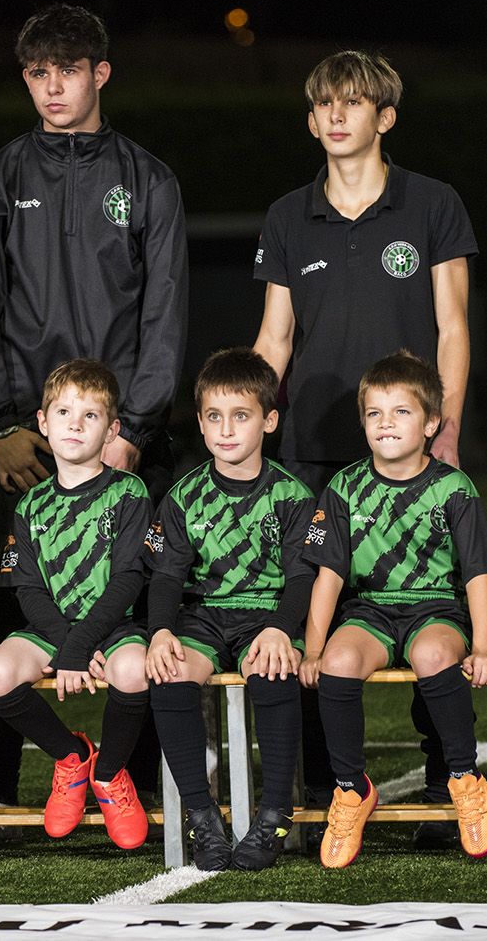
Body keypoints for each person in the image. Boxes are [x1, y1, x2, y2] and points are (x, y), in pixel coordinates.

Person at [0, 3, 187, 843]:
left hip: (125, 437)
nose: (54, 88)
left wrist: (136, 429)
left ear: (101, 74)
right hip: (22, 439)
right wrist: (3, 422)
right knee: (3, 608)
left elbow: (164, 315)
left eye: (70, 71)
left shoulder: (149, 179)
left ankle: (137, 784)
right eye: (39, 74)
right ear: (27, 80)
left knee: (141, 603)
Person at [251, 49, 478, 843]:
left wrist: (444, 427)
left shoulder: (433, 204)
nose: (337, 115)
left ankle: (449, 782)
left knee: (427, 607)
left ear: (385, 116)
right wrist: (245, 425)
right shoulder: (287, 215)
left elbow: (453, 328)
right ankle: (324, 790)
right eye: (324, 104)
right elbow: (274, 339)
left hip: (415, 450)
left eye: (355, 102)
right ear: (312, 120)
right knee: (315, 611)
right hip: (313, 450)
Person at [299, 350, 487, 868]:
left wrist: (483, 646)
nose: (386, 424)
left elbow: (478, 574)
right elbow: (329, 577)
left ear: (432, 422)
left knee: (435, 653)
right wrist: (314, 648)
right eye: (374, 413)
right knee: (337, 663)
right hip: (368, 611)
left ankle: (464, 777)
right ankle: (351, 789)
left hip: (433, 608)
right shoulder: (344, 487)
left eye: (402, 412)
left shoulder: (453, 488)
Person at [144, 348, 313, 871]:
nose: (226, 430)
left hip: (266, 613)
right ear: (199, 422)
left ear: (269, 420)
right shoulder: (182, 497)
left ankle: (274, 814)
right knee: (170, 676)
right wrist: (159, 632)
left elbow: (303, 576)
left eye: (241, 416)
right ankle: (202, 815)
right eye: (214, 417)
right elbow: (168, 574)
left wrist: (284, 630)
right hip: (204, 616)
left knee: (272, 671)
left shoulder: (291, 496)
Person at [0, 359, 152, 850]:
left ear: (112, 429)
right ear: (42, 422)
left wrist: (81, 646)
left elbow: (127, 581)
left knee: (135, 670)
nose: (74, 424)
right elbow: (29, 591)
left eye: (91, 415)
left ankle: (111, 775)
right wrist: (67, 646)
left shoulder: (128, 492)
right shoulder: (30, 505)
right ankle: (72, 757)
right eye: (63, 411)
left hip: (112, 626)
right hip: (52, 630)